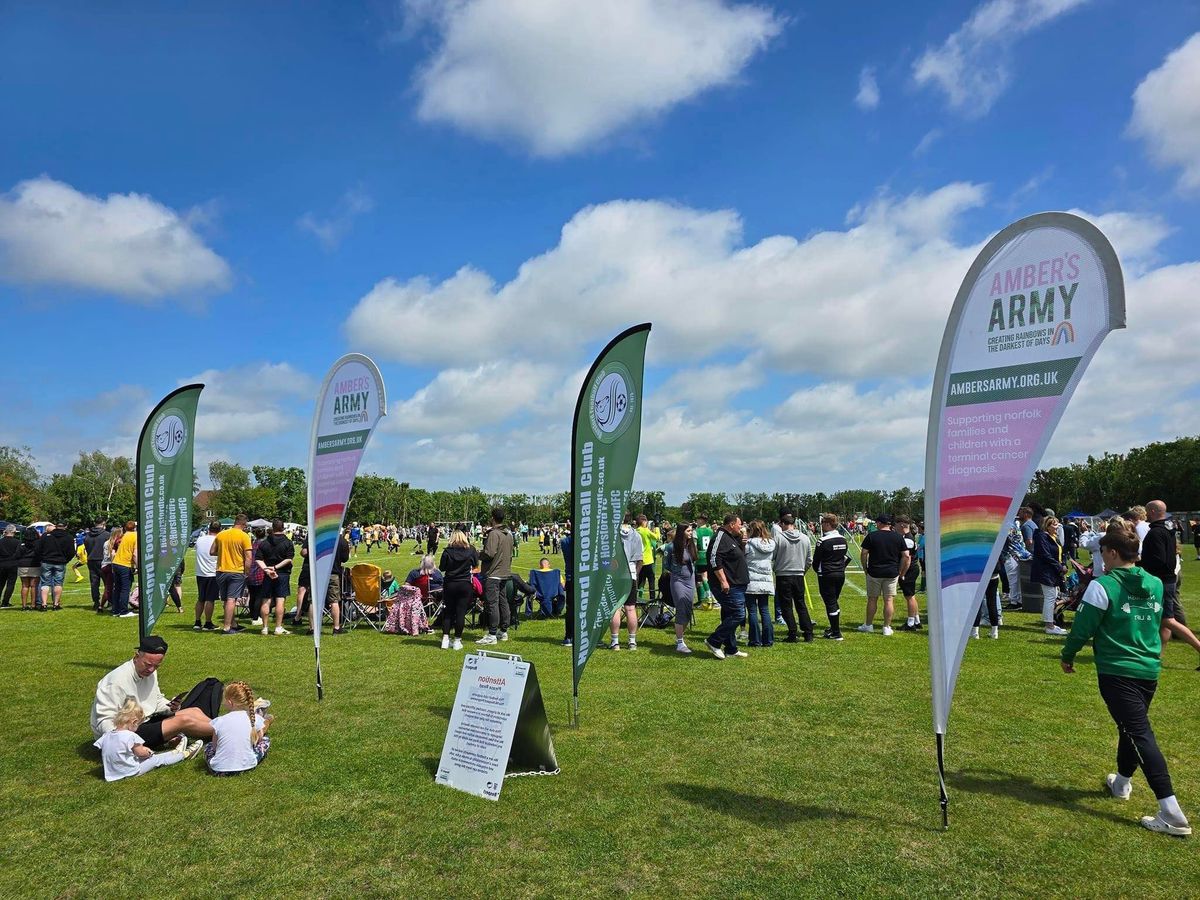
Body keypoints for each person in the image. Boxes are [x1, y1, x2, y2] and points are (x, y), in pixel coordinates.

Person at [1060, 522, 1191, 836]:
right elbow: (1161, 622)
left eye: (1103, 551)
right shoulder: (1156, 584)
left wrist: (1068, 655)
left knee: (1139, 732)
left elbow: (1083, 628)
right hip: (1148, 670)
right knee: (1130, 728)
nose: (1101, 557)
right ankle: (1121, 783)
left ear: (1113, 553)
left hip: (1118, 671)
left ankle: (1171, 811)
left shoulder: (1102, 586)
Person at [91, 635, 218, 748]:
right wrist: (125, 742)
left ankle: (223, 729)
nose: (151, 670)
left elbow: (155, 700)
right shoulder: (116, 681)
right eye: (148, 664)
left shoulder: (151, 672)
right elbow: (104, 720)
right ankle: (228, 731)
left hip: (145, 721)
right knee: (184, 721)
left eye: (156, 666)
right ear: (136, 656)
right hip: (127, 732)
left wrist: (171, 707)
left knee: (194, 711)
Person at [1141, 500, 1200, 667]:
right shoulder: (1168, 530)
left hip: (1161, 580)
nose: (1145, 514)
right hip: (1168, 579)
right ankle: (1156, 657)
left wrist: (1138, 564)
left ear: (1152, 511)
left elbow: (1158, 560)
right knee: (1163, 620)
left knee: (1168, 620)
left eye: (1146, 511)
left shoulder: (1155, 533)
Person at [94, 698, 202, 781]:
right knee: (156, 760)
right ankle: (185, 754)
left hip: (112, 773)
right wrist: (148, 752)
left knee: (150, 757)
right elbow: (141, 754)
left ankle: (174, 752)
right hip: (130, 771)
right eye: (138, 725)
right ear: (133, 722)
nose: (137, 729)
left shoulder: (107, 735)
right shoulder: (130, 736)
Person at [704, 514, 749, 660]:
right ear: (731, 524)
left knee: (729, 615)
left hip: (737, 583)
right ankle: (713, 641)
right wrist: (723, 581)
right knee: (738, 614)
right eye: (739, 525)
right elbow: (713, 559)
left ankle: (731, 648)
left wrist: (742, 542)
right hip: (728, 585)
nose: (741, 527)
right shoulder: (719, 537)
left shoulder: (731, 537)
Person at [206, 681, 272, 776]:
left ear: (230, 702)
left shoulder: (219, 721)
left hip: (218, 770)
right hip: (248, 765)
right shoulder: (254, 718)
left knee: (208, 746)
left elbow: (215, 746)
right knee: (265, 740)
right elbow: (259, 739)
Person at [857, 514, 908, 636]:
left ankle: (868, 625)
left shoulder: (872, 536)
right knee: (889, 600)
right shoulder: (898, 537)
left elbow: (864, 553)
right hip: (891, 572)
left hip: (874, 572)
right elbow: (906, 556)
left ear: (880, 523)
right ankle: (886, 627)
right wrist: (901, 571)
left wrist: (865, 568)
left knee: (872, 599)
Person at [773, 513, 813, 642]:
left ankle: (792, 632)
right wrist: (802, 570)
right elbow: (809, 560)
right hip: (799, 575)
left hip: (783, 575)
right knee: (801, 604)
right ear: (794, 524)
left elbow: (773, 556)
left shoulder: (778, 538)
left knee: (786, 606)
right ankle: (808, 633)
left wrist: (775, 569)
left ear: (783, 524)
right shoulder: (805, 538)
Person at [477, 508, 514, 646]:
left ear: (492, 518)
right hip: (504, 573)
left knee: (492, 603)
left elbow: (489, 553)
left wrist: (478, 553)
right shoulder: (508, 534)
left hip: (493, 574)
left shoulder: (494, 533)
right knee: (503, 602)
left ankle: (492, 634)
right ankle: (503, 630)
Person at [438, 531, 479, 650]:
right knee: (461, 612)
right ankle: (457, 641)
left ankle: (445, 639)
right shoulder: (471, 550)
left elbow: (442, 567)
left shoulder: (447, 551)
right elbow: (476, 564)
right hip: (465, 584)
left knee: (448, 612)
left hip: (450, 583)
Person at [610, 513, 644, 651]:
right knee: (631, 608)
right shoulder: (636, 534)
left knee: (615, 608)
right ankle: (632, 642)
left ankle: (615, 641)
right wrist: (635, 573)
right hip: (631, 573)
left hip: (615, 574)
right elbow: (640, 560)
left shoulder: (612, 534)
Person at [255, 519, 294, 635]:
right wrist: (275, 568)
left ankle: (265, 627)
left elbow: (258, 559)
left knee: (266, 600)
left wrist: (267, 569)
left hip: (268, 574)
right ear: (283, 528)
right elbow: (288, 559)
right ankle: (278, 627)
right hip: (282, 573)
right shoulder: (288, 542)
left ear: (272, 528)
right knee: (280, 600)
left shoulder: (265, 542)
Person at [812, 514, 848, 640]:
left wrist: (818, 570)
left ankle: (836, 632)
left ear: (827, 524)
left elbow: (816, 561)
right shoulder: (843, 539)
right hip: (840, 573)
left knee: (830, 602)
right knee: (833, 601)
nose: (821, 526)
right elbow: (844, 557)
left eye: (822, 523)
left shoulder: (822, 541)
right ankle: (834, 628)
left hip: (826, 574)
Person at [663, 523, 697, 653]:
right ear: (682, 531)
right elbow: (666, 564)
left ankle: (680, 636)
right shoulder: (671, 547)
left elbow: (694, 562)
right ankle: (680, 642)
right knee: (681, 608)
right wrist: (676, 573)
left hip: (690, 580)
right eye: (688, 530)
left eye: (691, 531)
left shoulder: (690, 545)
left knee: (688, 610)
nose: (691, 533)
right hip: (678, 580)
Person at [1032, 515, 1068, 636]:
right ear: (1047, 526)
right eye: (1053, 524)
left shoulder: (1055, 537)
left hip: (1053, 571)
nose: (1056, 526)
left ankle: (1050, 623)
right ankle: (1049, 625)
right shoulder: (1042, 536)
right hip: (1046, 571)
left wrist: (1063, 564)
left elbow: (1060, 553)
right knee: (1050, 596)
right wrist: (1059, 567)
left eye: (1057, 524)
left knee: (1053, 595)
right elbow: (1045, 555)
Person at [744, 520, 776, 648]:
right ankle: (768, 640)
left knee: (752, 611)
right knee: (765, 610)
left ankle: (755, 640)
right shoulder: (771, 544)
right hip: (766, 581)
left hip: (751, 580)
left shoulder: (748, 545)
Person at [38, 522, 74, 611]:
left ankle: (44, 604)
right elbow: (72, 552)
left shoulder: (46, 536)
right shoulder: (69, 537)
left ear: (55, 526)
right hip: (60, 562)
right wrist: (66, 560)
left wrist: (42, 558)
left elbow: (38, 549)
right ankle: (56, 604)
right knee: (58, 583)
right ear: (66, 526)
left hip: (46, 561)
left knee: (45, 583)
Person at [896, 517, 922, 631]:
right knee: (911, 596)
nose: (894, 527)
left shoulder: (907, 539)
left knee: (909, 596)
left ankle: (911, 623)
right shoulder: (908, 537)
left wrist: (902, 573)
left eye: (896, 524)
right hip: (912, 568)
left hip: (909, 569)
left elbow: (907, 558)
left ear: (902, 525)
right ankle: (916, 620)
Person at [193, 521, 220, 630]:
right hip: (212, 572)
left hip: (200, 572)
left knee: (201, 598)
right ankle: (208, 623)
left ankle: (197, 622)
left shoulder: (200, 539)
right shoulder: (218, 539)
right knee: (210, 599)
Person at [1001, 521, 1030, 610]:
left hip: (1010, 554)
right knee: (1016, 579)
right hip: (1018, 554)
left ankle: (1014, 601)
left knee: (1013, 579)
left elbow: (1006, 540)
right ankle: (1019, 600)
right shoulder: (1014, 524)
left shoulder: (1007, 525)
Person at [82, 518, 110, 611]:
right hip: (103, 560)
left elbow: (86, 546)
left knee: (94, 583)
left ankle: (96, 602)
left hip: (91, 560)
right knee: (108, 582)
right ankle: (109, 599)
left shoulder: (87, 535)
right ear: (103, 524)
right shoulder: (106, 535)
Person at [16, 525, 42, 612]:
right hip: (35, 564)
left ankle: (24, 605)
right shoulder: (38, 544)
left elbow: (17, 555)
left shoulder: (22, 544)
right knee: (34, 586)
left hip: (23, 565)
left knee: (24, 586)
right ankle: (33, 605)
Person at [634, 514, 658, 604]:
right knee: (651, 580)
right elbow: (657, 537)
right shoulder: (645, 530)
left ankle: (638, 598)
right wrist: (657, 527)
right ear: (644, 522)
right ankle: (652, 599)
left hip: (639, 559)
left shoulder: (636, 531)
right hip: (648, 559)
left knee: (640, 581)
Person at [693, 515, 714, 610]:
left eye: (698, 519)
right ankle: (704, 599)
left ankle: (709, 598)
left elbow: (695, 546)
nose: (696, 521)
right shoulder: (710, 531)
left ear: (701, 520)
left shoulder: (696, 531)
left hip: (701, 557)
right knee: (706, 578)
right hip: (709, 556)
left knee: (703, 578)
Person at [0, 524, 19, 608]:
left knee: (0, 584)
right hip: (13, 564)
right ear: (14, 532)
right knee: (10, 584)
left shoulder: (0, 541)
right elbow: (18, 554)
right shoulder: (17, 542)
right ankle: (5, 602)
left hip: (1, 564)